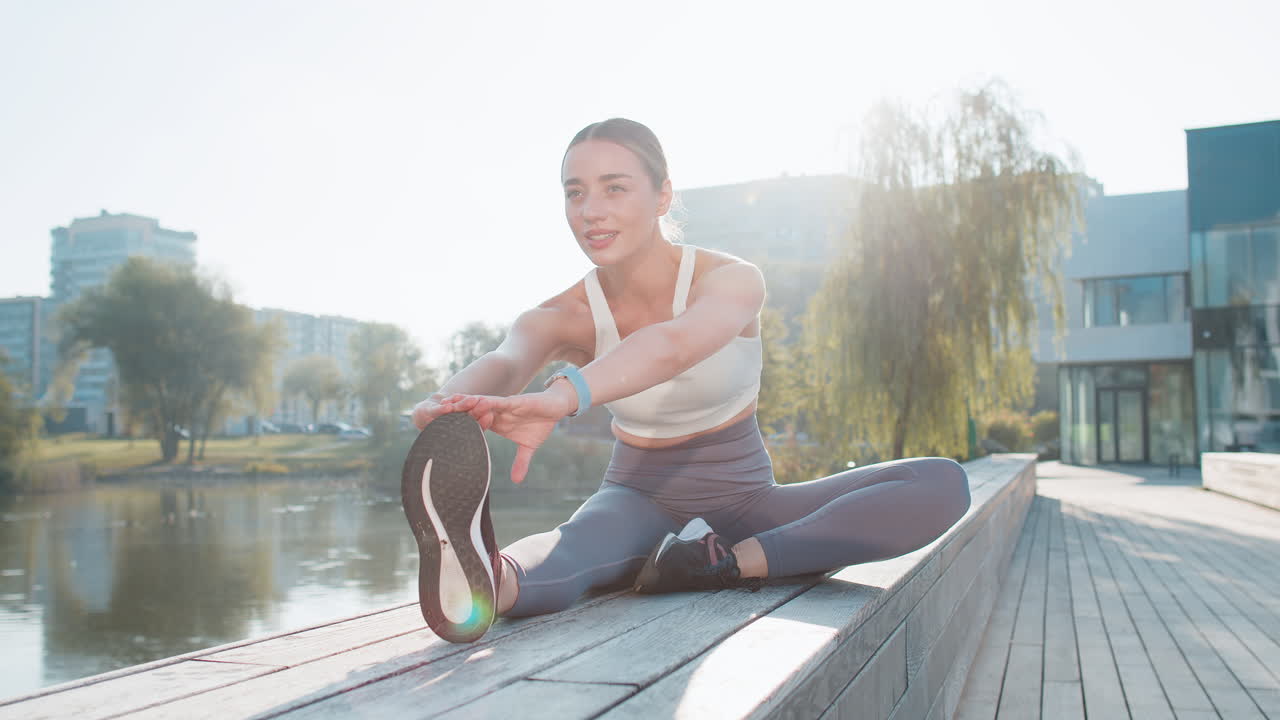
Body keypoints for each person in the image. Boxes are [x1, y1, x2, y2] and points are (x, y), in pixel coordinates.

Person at [401, 118, 972, 644]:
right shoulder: (565, 314)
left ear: (663, 195)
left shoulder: (731, 280)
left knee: (943, 484)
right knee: (574, 550)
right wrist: (447, 405)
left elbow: (671, 345)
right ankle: (482, 580)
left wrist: (560, 398)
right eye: (575, 192)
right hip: (637, 497)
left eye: (614, 187)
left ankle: (719, 562)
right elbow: (507, 359)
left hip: (749, 501)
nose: (590, 210)